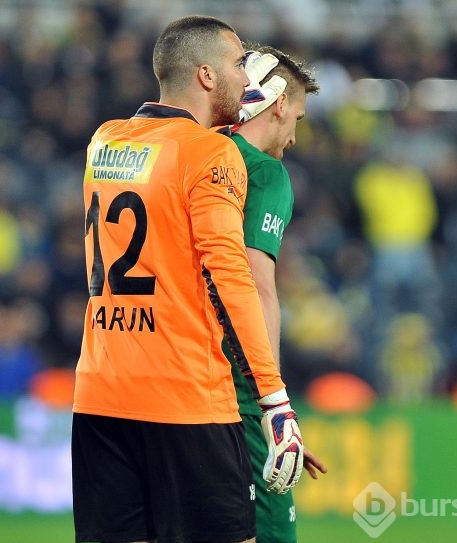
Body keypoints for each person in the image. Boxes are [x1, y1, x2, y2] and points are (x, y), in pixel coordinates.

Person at [71, 16, 305, 543]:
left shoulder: (104, 141)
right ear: (206, 75)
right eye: (239, 65)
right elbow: (234, 279)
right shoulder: (211, 153)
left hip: (101, 396)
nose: (248, 80)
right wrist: (274, 400)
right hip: (187, 399)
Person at [225, 45, 325, 543]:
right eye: (298, 119)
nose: (293, 137)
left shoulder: (199, 151)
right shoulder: (265, 172)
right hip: (237, 386)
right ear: (280, 103)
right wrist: (274, 404)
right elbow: (256, 285)